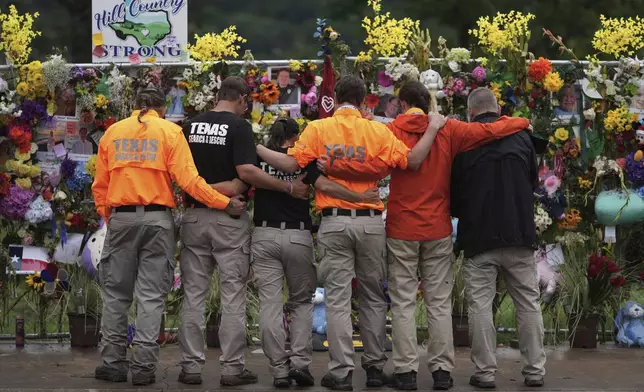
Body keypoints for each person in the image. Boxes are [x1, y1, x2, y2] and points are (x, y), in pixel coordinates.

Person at [319, 83, 531, 391]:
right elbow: (489, 131)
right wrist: (522, 122)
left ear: (403, 104)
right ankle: (442, 371)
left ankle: (405, 372)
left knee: (403, 302)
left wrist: (335, 164)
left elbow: (368, 162)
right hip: (437, 228)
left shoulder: (389, 130)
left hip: (402, 228)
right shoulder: (448, 129)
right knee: (439, 303)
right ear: (426, 102)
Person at [256, 75, 443, 391]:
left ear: (337, 98)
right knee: (372, 296)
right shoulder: (376, 131)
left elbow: (291, 165)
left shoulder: (318, 129)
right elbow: (412, 160)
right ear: (363, 100)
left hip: (334, 221)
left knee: (338, 298)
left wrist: (257, 148)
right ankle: (373, 368)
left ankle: (341, 371)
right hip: (370, 222)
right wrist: (435, 128)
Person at [91, 88, 245, 387]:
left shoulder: (112, 133)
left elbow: (100, 186)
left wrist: (113, 218)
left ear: (135, 106)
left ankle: (113, 364)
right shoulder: (170, 132)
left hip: (121, 216)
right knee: (150, 295)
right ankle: (145, 368)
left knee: (116, 295)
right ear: (161, 109)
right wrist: (224, 203)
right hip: (158, 220)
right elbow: (190, 182)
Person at [177, 76, 309, 387]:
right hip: (229, 219)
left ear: (217, 96)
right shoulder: (239, 127)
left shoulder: (189, 127)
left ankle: (191, 367)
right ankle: (232, 369)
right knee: (233, 295)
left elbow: (181, 176)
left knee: (193, 296)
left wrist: (200, 191)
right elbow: (246, 174)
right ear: (241, 99)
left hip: (194, 217)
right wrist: (287, 187)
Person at [252, 118, 382, 388]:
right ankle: (300, 364)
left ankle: (278, 370)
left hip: (264, 234)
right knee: (301, 302)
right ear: (295, 137)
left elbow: (244, 179)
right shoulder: (303, 159)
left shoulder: (258, 157)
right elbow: (325, 186)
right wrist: (360, 199)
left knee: (270, 303)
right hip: (298, 235)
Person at [450, 87, 546, 389]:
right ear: (499, 108)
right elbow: (533, 180)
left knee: (480, 306)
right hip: (519, 233)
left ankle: (486, 372)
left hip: (479, 238)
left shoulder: (464, 143)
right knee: (528, 303)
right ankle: (534, 371)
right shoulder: (522, 138)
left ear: (470, 112)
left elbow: (454, 197)